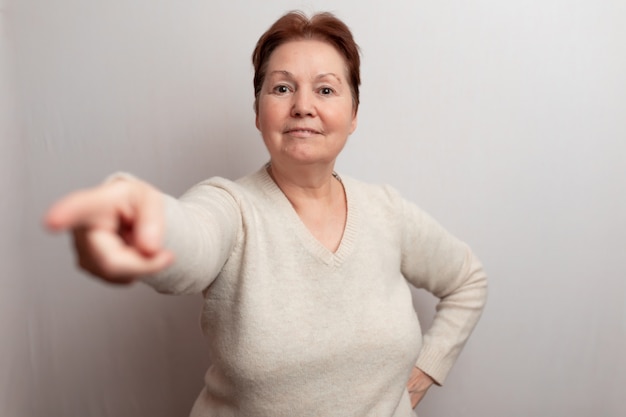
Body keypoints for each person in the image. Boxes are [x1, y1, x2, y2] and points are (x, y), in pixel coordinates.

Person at [45, 11, 487, 417]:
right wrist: (141, 219)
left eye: (326, 89)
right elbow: (192, 241)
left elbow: (468, 279)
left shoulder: (387, 211)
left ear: (353, 114)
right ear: (258, 112)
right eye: (281, 87)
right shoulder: (231, 208)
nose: (302, 106)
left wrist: (425, 370)